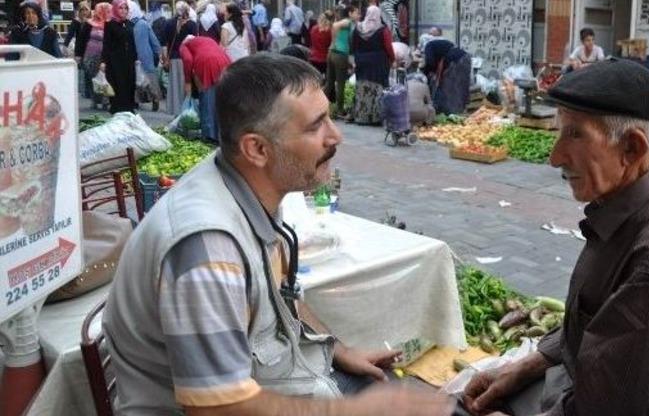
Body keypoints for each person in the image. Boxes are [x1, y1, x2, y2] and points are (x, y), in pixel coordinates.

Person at [102, 53, 454, 416]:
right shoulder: (208, 249)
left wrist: (340, 351)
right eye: (315, 126)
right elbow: (218, 409)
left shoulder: (253, 184)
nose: (336, 136)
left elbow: (283, 294)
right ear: (257, 149)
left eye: (328, 117)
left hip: (283, 378)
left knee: (394, 389)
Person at [462, 59, 649, 416]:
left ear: (631, 148)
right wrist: (524, 367)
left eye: (575, 134)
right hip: (576, 385)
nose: (555, 157)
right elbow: (591, 327)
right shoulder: (626, 212)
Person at [179, 35, 231, 144]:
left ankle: (208, 136)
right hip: (225, 63)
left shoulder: (185, 45)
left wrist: (188, 82)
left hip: (207, 64)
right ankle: (220, 135)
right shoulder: (208, 40)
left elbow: (187, 60)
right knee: (220, 101)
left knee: (207, 100)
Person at [351, 5, 395, 125]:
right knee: (377, 88)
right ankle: (375, 118)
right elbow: (388, 47)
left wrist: (356, 59)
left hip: (362, 61)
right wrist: (392, 59)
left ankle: (361, 116)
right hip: (378, 62)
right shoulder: (382, 29)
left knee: (362, 87)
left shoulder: (358, 28)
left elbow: (353, 45)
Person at [101, 0, 138, 114]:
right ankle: (117, 110)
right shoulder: (110, 24)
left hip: (129, 60)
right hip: (115, 61)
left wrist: (136, 58)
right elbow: (106, 44)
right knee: (118, 85)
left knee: (129, 84)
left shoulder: (130, 24)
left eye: (125, 8)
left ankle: (129, 109)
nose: (123, 11)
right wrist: (103, 61)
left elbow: (133, 42)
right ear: (115, 9)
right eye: (121, 8)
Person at [162, 1, 197, 115]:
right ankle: (186, 111)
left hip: (173, 58)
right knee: (186, 85)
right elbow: (195, 42)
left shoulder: (168, 23)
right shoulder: (192, 24)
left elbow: (165, 43)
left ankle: (175, 111)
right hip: (188, 58)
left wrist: (165, 59)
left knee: (174, 86)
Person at [326, 4, 360, 118]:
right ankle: (340, 110)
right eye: (356, 13)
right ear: (350, 13)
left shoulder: (348, 23)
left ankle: (320, 107)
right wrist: (334, 41)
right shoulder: (347, 22)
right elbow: (335, 26)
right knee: (341, 83)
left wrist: (333, 43)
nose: (359, 15)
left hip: (332, 53)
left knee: (330, 82)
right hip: (340, 54)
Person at [129, 0, 163, 111]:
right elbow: (153, 40)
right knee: (150, 78)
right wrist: (159, 52)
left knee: (136, 78)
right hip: (146, 55)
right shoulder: (144, 24)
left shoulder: (127, 24)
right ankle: (155, 98)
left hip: (132, 55)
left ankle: (136, 100)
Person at [75, 2, 111, 107]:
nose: (101, 13)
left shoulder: (110, 24)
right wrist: (78, 55)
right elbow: (81, 40)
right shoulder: (89, 24)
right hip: (90, 56)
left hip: (104, 56)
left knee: (105, 78)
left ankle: (105, 100)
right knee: (93, 78)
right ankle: (94, 100)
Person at [422, 38, 470, 115]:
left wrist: (425, 72)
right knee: (461, 88)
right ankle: (461, 111)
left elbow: (430, 62)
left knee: (449, 89)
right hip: (465, 57)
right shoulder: (437, 45)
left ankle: (452, 113)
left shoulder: (428, 46)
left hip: (455, 61)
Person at [308, 10, 333, 76]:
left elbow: (311, 41)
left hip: (313, 57)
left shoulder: (313, 29)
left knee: (316, 77)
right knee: (327, 77)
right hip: (325, 58)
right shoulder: (329, 31)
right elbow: (330, 44)